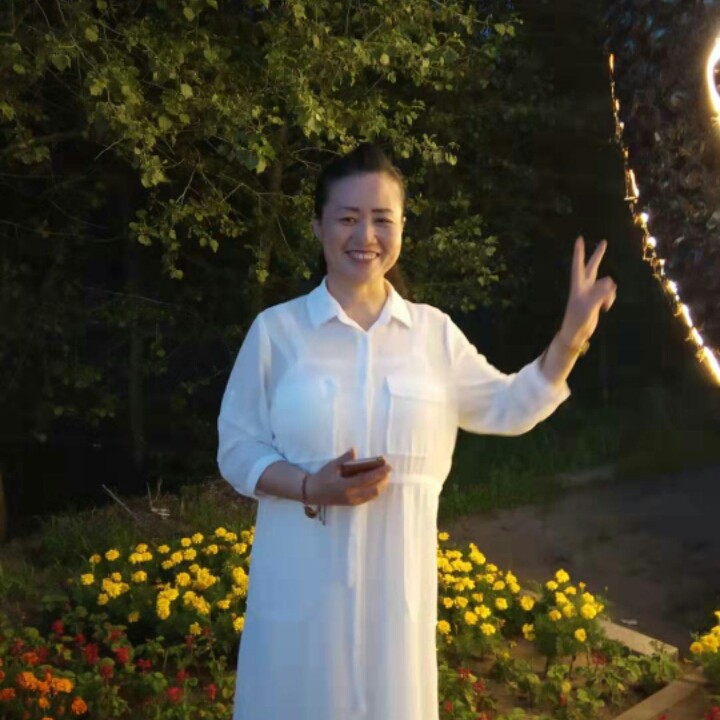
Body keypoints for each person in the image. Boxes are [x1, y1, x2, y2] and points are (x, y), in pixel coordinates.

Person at [217, 142, 617, 720]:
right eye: (348, 218)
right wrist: (309, 487)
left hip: (396, 611)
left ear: (403, 227)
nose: (366, 236)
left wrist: (570, 339)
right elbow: (237, 447)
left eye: (382, 219)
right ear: (318, 226)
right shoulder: (277, 332)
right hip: (300, 602)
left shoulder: (433, 336)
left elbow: (509, 406)